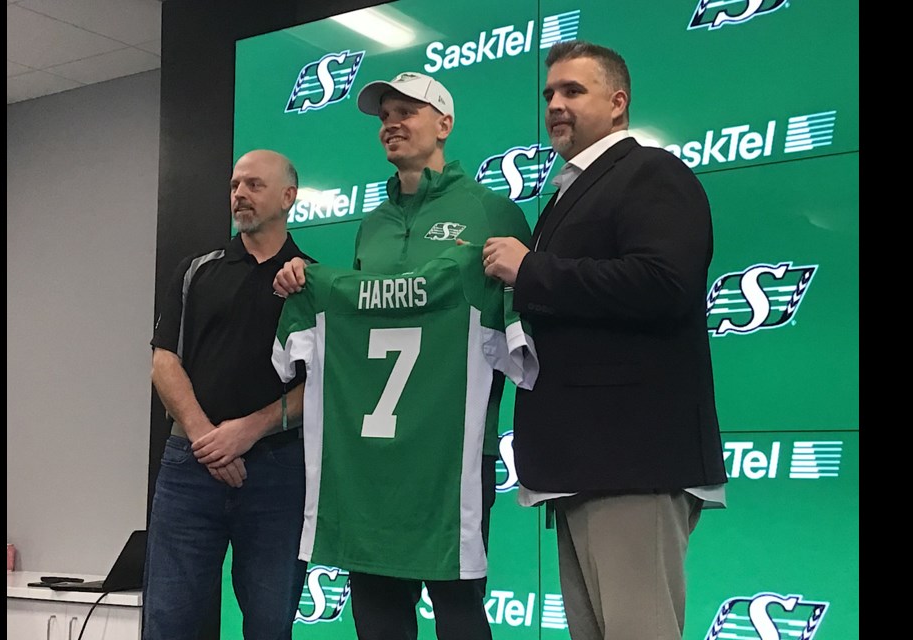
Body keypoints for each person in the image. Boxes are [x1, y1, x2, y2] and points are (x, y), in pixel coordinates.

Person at [482, 41, 729, 640]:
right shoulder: (569, 191)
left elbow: (665, 283)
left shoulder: (651, 172)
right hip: (581, 463)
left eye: (573, 91)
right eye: (549, 95)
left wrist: (531, 271)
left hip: (631, 461)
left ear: (618, 104)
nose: (555, 105)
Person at [274, 72, 532, 640]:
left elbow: (523, 319)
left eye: (407, 111)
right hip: (369, 462)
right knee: (377, 615)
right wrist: (304, 280)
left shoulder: (493, 211)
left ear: (444, 124)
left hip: (450, 459)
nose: (391, 122)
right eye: (384, 114)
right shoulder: (373, 225)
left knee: (460, 611)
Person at [144, 149, 313, 640]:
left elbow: (321, 386)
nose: (239, 194)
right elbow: (163, 360)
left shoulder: (313, 281)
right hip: (189, 469)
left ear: (288, 197)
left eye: (254, 185)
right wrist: (207, 439)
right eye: (235, 185)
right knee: (170, 622)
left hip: (278, 472)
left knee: (269, 624)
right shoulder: (196, 270)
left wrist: (248, 430)